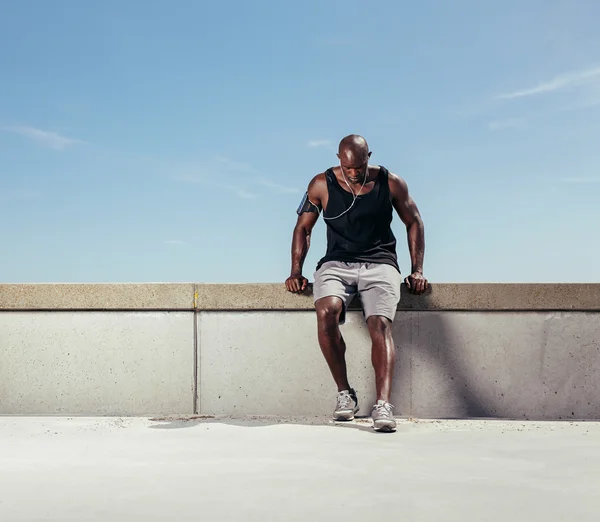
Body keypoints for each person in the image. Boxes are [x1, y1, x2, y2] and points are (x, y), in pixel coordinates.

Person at [285, 134, 428, 432]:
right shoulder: (320, 185)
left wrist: (417, 270)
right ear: (339, 158)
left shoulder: (390, 182)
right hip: (336, 264)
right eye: (348, 167)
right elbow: (303, 228)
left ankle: (383, 405)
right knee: (326, 314)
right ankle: (344, 394)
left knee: (379, 324)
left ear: (368, 157)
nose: (353, 172)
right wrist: (295, 270)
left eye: (359, 166)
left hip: (380, 263)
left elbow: (413, 221)